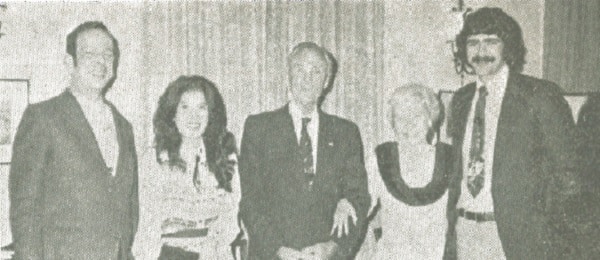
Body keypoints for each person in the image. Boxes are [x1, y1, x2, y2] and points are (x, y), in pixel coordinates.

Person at [447, 7, 580, 259]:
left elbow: (568, 173)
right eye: (473, 43)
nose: (481, 52)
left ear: (507, 47)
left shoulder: (539, 95)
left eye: (491, 42)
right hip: (465, 232)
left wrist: (551, 236)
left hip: (520, 238)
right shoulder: (462, 99)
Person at [9, 21, 138, 259]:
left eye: (107, 55)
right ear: (70, 63)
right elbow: (25, 210)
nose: (100, 62)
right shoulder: (42, 118)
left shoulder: (124, 127)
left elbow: (129, 209)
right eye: (89, 54)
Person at [239, 42, 370, 260]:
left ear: (327, 82)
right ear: (288, 75)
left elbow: (358, 197)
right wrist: (278, 251)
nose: (307, 78)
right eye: (300, 69)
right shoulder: (259, 128)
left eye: (316, 71)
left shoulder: (346, 133)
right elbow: (250, 200)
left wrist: (334, 246)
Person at [133, 75, 239, 259]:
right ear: (172, 114)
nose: (194, 116)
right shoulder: (155, 160)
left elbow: (231, 217)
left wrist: (213, 245)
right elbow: (145, 223)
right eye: (184, 107)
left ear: (211, 114)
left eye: (201, 108)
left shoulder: (225, 159)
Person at [357, 85, 453, 259]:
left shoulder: (449, 158)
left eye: (416, 116)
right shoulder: (382, 158)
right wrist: (345, 205)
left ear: (430, 119)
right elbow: (360, 203)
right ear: (393, 123)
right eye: (401, 117)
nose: (409, 124)